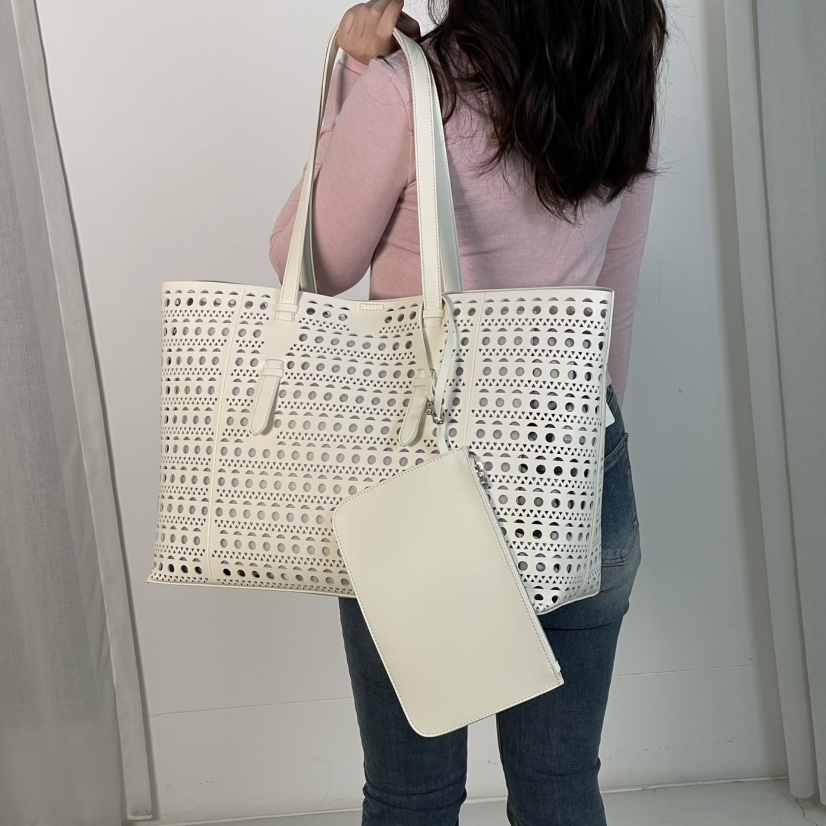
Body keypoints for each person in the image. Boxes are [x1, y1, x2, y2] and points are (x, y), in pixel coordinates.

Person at [269, 1, 668, 823]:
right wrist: (582, 441)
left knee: (411, 792)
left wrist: (355, 77)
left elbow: (309, 263)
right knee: (561, 784)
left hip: (417, 476)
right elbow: (614, 294)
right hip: (578, 455)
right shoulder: (621, 84)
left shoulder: (409, 89)